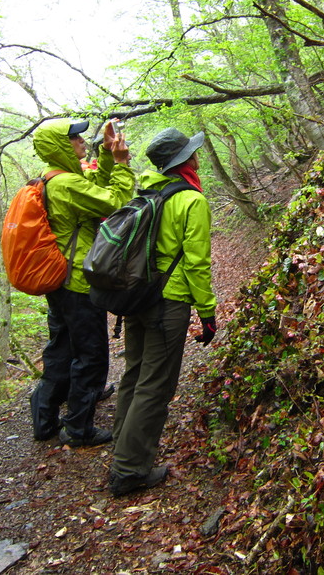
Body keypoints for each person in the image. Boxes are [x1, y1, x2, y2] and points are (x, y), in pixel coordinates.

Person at [109, 127, 217, 497]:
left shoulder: (148, 191)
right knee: (156, 385)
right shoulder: (190, 200)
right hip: (168, 303)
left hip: (137, 296)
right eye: (192, 153)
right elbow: (197, 262)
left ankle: (123, 444)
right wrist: (207, 311)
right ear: (184, 161)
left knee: (135, 373)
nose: (197, 157)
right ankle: (129, 469)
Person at [29, 118, 135, 447]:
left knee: (60, 350)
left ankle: (44, 418)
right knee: (91, 355)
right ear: (61, 145)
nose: (80, 143)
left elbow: (95, 184)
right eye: (74, 139)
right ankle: (78, 427)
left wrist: (105, 154)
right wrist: (121, 163)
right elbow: (115, 201)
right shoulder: (65, 185)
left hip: (58, 281)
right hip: (76, 283)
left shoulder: (54, 178)